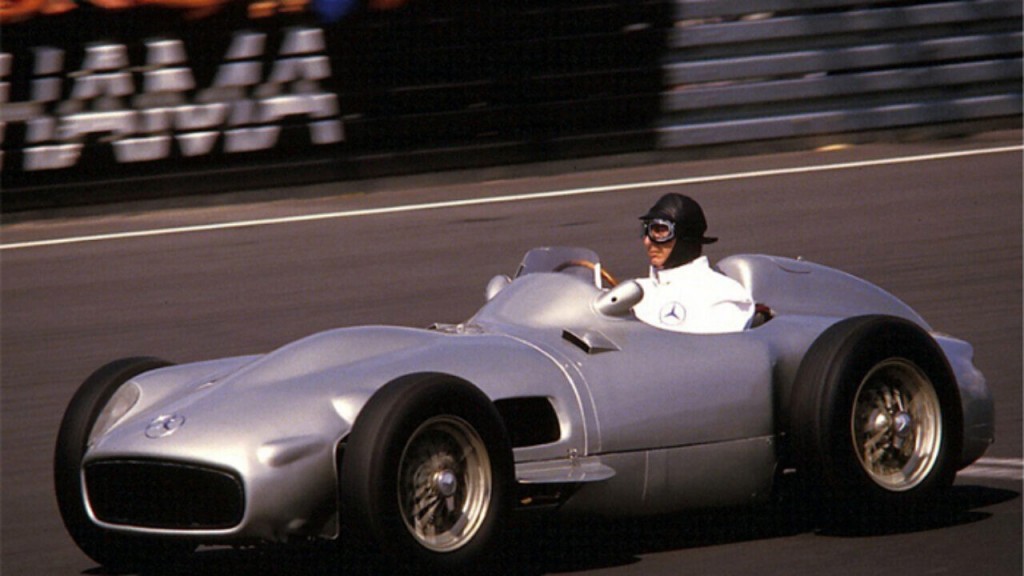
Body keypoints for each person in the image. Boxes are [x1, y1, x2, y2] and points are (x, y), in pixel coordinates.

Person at [632, 193, 754, 333]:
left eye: (660, 231)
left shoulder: (723, 295)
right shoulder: (635, 292)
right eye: (645, 231)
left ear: (685, 237)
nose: (647, 241)